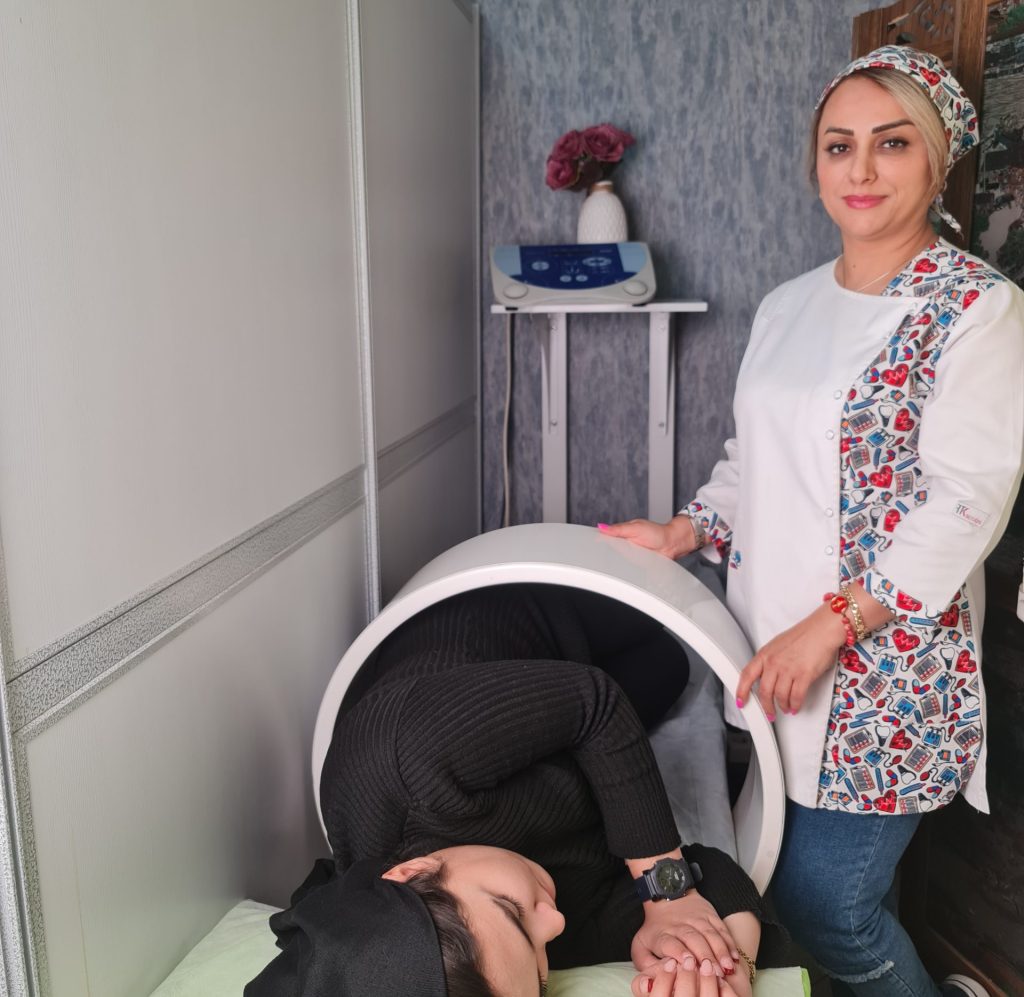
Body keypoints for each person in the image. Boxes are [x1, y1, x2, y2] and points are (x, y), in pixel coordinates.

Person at [600, 45, 1024, 997]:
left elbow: (967, 501)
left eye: (892, 143)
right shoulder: (788, 304)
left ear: (939, 161)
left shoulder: (977, 308)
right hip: (772, 653)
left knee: (828, 906)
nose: (861, 169)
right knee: (794, 886)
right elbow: (753, 460)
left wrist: (831, 623)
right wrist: (682, 532)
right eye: (839, 145)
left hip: (884, 672)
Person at [245, 584, 767, 997]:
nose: (554, 924)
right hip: (557, 740)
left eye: (514, 912)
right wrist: (723, 967)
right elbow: (710, 872)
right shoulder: (519, 954)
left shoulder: (403, 759)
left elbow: (596, 703)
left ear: (413, 871)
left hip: (514, 611)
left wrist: (667, 891)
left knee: (660, 637)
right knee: (669, 668)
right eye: (541, 974)